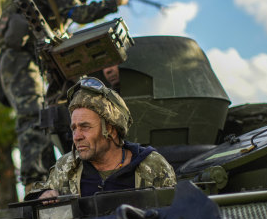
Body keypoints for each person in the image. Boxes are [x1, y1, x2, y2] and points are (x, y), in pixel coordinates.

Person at [0, 0, 130, 191]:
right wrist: (116, 2)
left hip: (13, 63)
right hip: (24, 63)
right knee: (34, 118)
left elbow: (60, 15)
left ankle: (44, 177)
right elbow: (78, 15)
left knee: (40, 116)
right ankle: (36, 183)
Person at [27, 77, 176, 200]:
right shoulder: (66, 168)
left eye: (85, 127)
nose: (77, 137)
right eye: (74, 128)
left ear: (111, 129)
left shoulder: (153, 166)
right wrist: (42, 196)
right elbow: (38, 197)